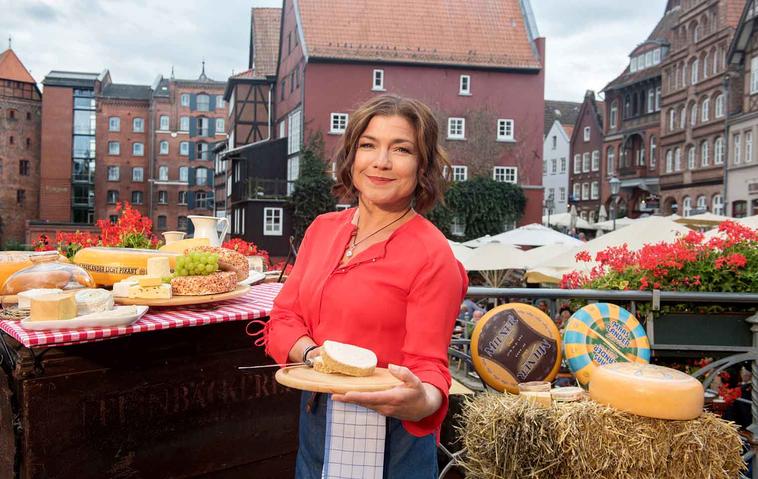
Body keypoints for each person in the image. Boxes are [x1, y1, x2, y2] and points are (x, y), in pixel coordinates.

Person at [258, 94, 468, 478]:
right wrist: (313, 356)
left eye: (401, 149)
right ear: (352, 156)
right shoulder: (322, 230)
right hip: (317, 421)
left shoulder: (432, 254)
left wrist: (421, 400)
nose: (381, 161)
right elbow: (284, 317)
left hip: (392, 437)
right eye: (369, 145)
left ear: (422, 165)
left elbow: (429, 366)